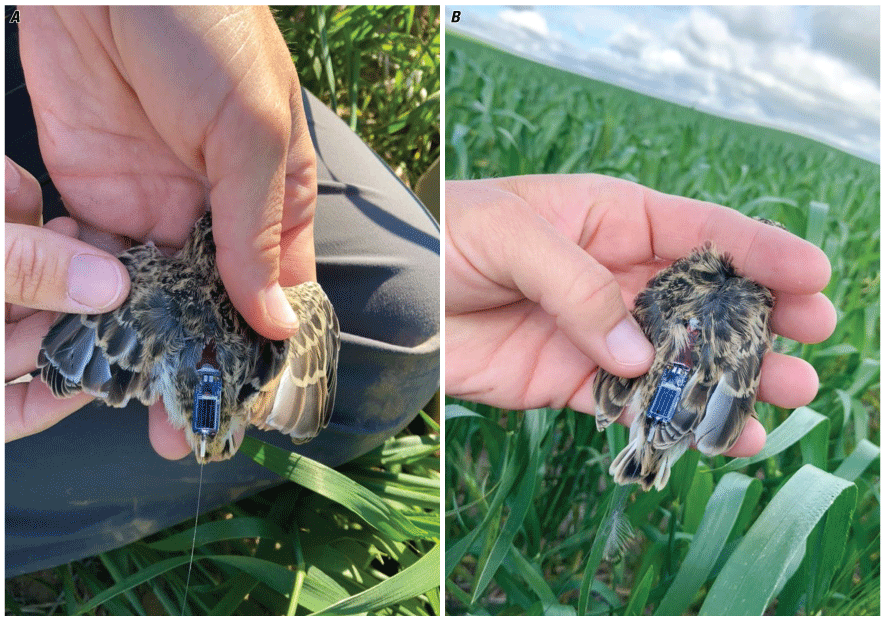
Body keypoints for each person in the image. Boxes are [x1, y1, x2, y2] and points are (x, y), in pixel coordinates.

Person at [6, 6, 439, 575]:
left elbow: (71, 355)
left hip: (46, 38)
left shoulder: (143, 275)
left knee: (412, 311)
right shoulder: (157, 275)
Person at [445, 176, 835, 456]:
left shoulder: (684, 276)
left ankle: (650, 441)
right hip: (658, 400)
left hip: (638, 386)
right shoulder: (751, 309)